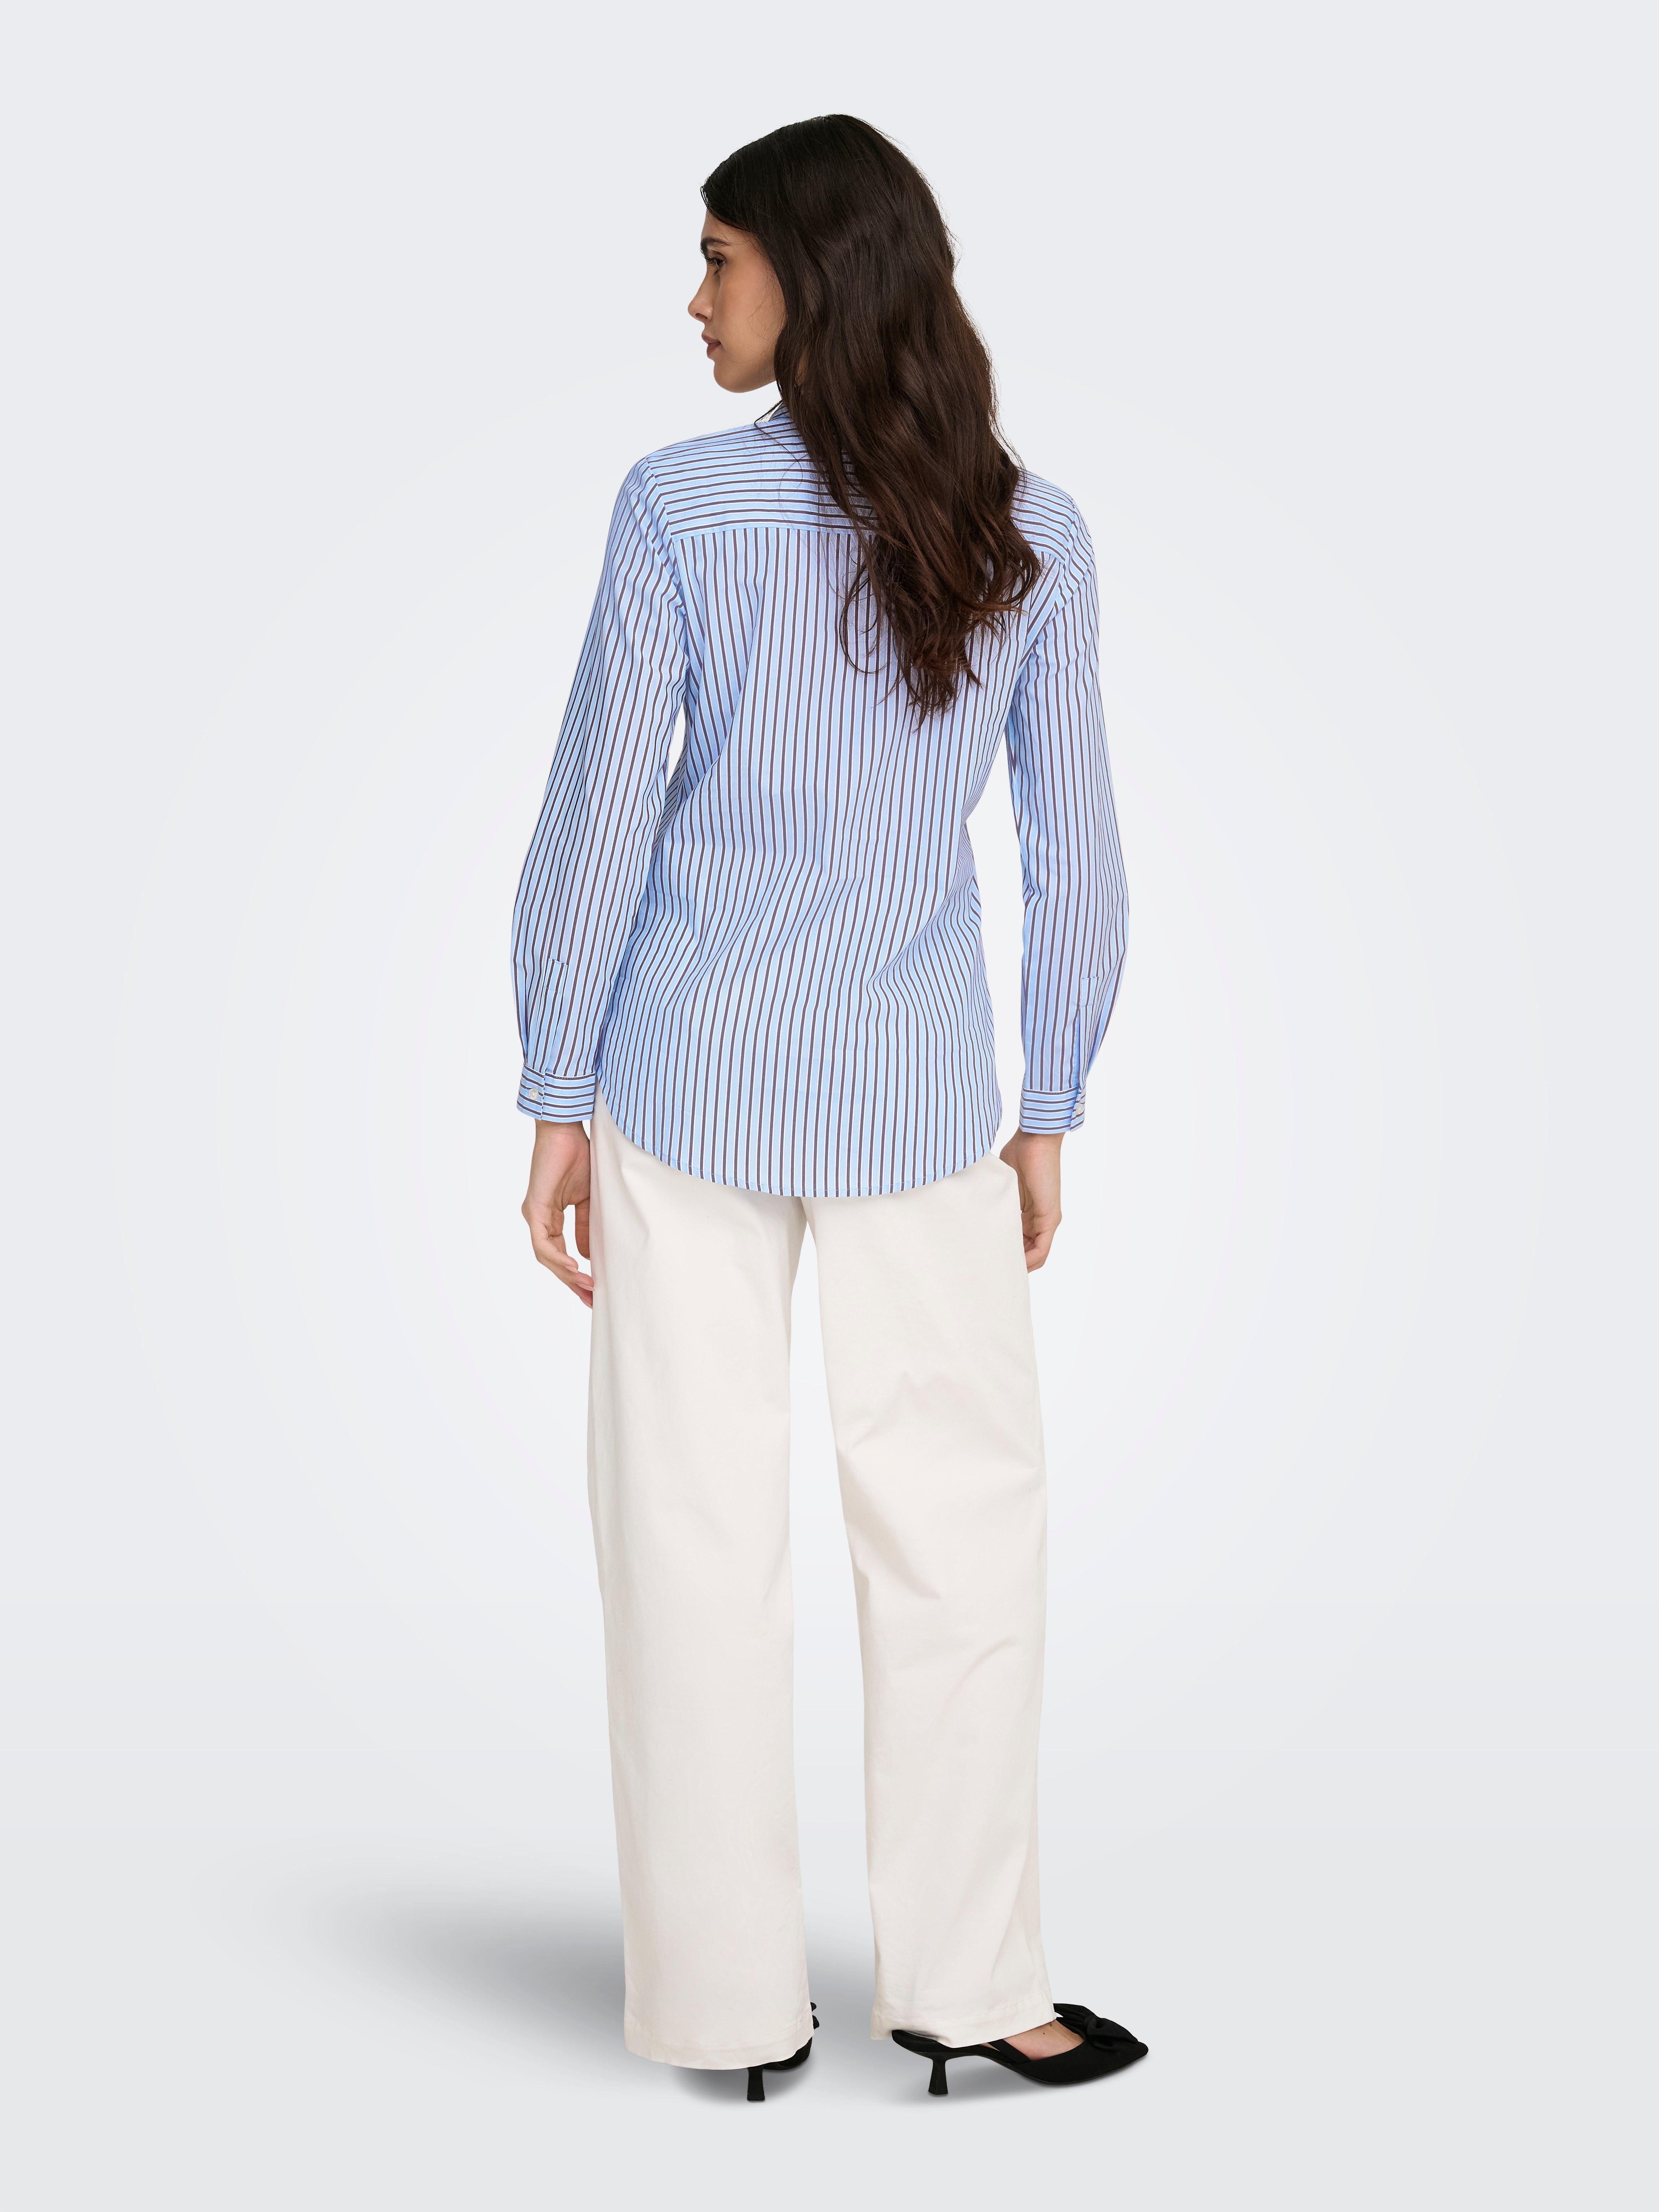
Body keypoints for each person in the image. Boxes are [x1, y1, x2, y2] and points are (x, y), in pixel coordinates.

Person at [512, 114, 1143, 2101]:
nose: (694, 298)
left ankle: (723, 2012)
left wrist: (557, 1088)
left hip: (684, 1086)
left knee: (687, 1540)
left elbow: (597, 819)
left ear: (815, 272)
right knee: (961, 1536)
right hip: (925, 1098)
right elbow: (1077, 851)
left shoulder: (681, 510)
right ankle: (971, 1986)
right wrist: (1048, 1098)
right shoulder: (1026, 527)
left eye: (721, 257)